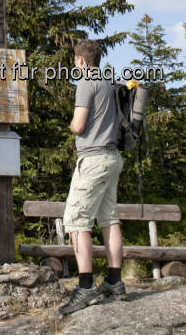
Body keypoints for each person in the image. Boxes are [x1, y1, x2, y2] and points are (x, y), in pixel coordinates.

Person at [58, 40, 126, 316]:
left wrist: (71, 123)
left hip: (93, 160)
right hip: (112, 159)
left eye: (75, 61)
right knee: (109, 218)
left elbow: (79, 124)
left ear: (82, 61)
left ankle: (85, 287)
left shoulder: (86, 82)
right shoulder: (108, 82)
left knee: (76, 221)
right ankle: (114, 282)